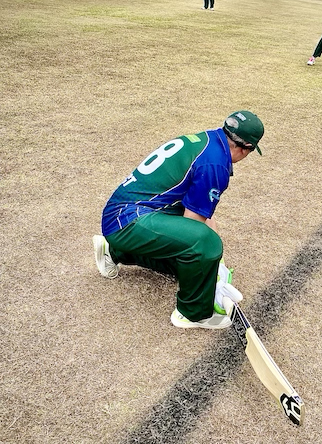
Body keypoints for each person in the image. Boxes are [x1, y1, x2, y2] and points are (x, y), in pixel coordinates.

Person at [92, 111, 264, 330]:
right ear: (245, 148)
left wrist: (215, 267)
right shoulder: (216, 164)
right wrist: (212, 262)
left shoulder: (207, 140)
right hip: (128, 220)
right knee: (204, 244)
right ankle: (192, 314)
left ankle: (114, 251)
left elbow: (200, 210)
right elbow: (195, 226)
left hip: (124, 215)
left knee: (197, 261)